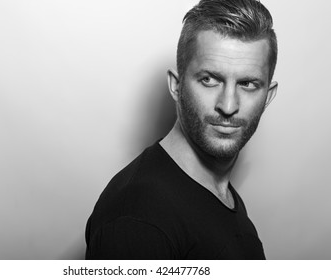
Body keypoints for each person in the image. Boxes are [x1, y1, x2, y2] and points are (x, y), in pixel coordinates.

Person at [85, 0, 278, 260]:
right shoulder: (137, 220)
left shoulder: (218, 191)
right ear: (176, 86)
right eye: (209, 80)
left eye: (248, 84)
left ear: (268, 95)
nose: (228, 105)